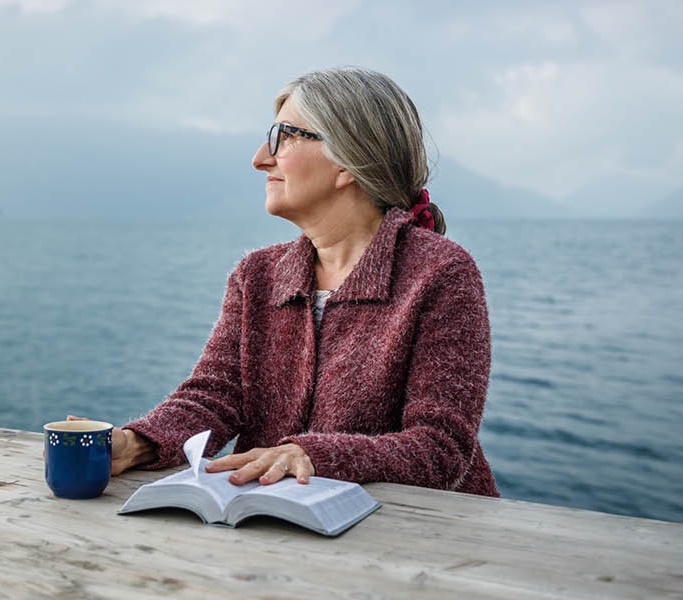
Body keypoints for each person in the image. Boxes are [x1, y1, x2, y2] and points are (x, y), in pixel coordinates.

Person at [100, 67, 498, 497]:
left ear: (347, 159)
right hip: (276, 528)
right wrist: (137, 443)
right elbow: (215, 397)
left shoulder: (440, 272)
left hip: (423, 541)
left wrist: (313, 455)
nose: (259, 159)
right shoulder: (256, 275)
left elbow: (441, 448)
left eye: (283, 137)